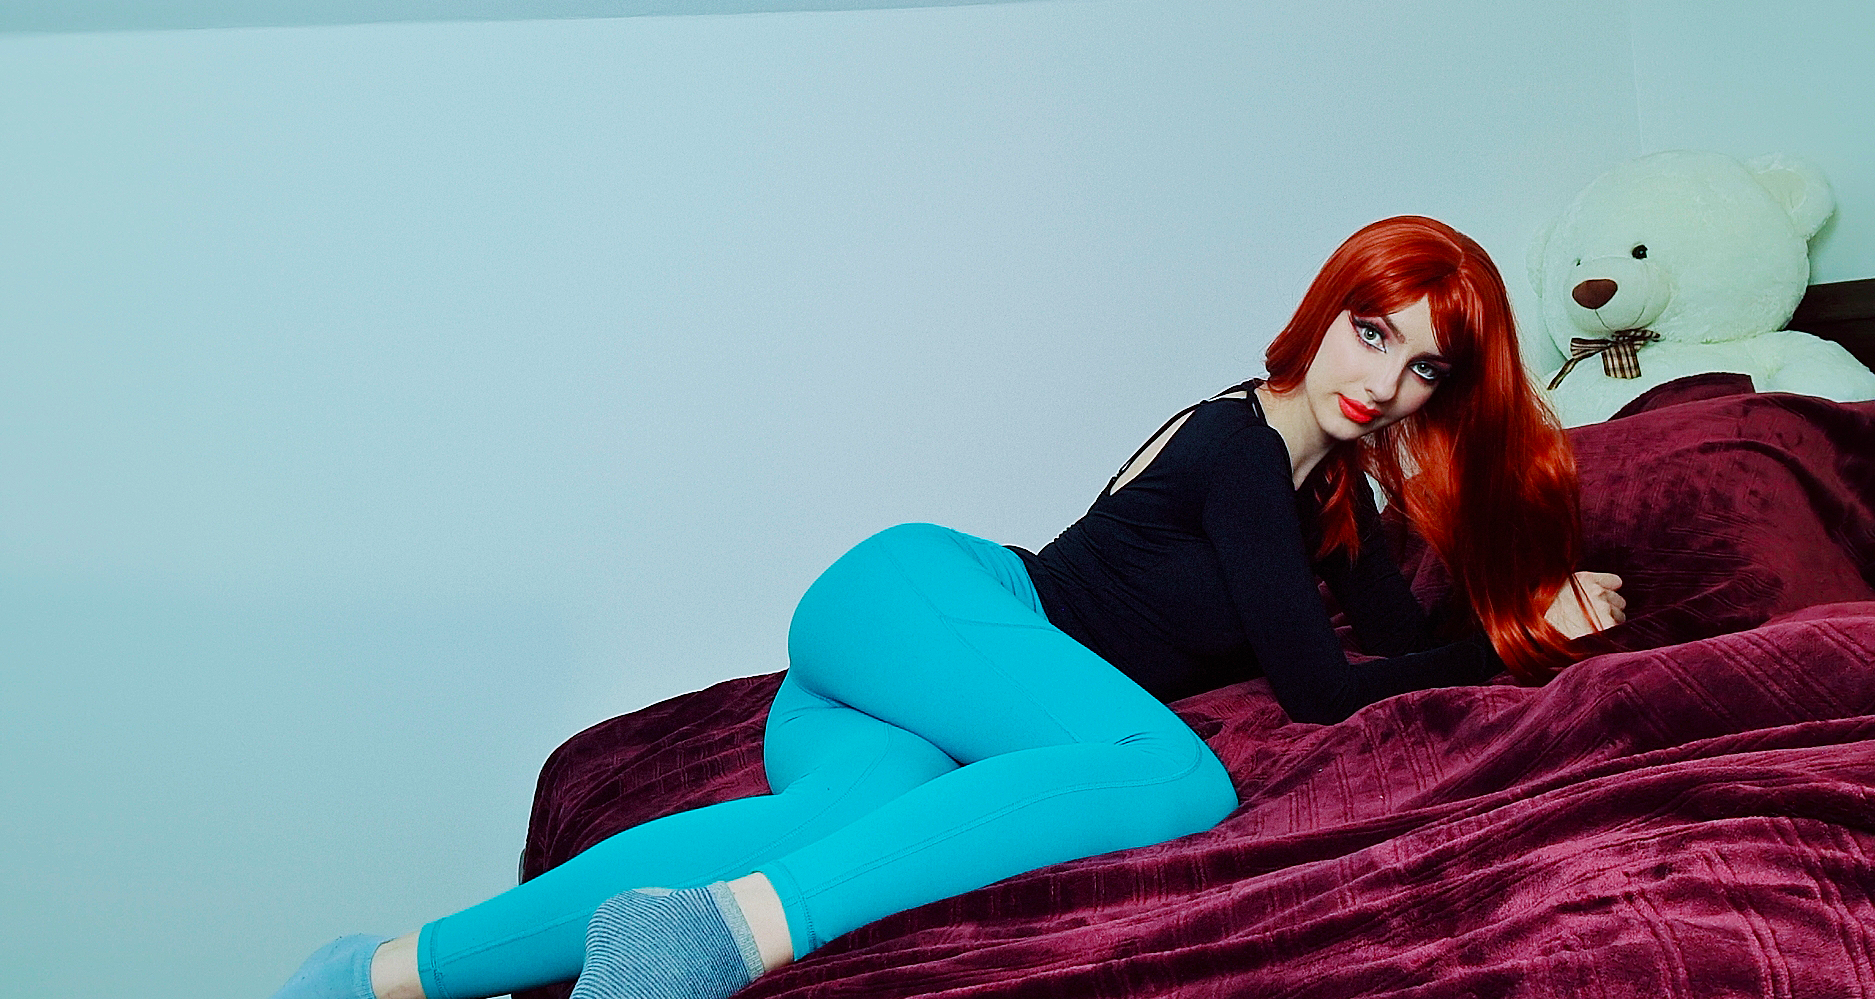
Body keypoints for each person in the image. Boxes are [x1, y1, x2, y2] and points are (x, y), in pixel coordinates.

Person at [273, 215, 1626, 999]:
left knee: (827, 827)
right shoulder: (1236, 447)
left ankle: (365, 973)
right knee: (1173, 770)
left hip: (888, 699)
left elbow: (1396, 651)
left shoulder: (1336, 500)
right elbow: (1322, 692)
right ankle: (729, 936)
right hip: (922, 601)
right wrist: (1519, 648)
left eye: (1423, 370)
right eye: (1373, 332)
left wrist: (1521, 611)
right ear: (1325, 312)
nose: (1382, 383)